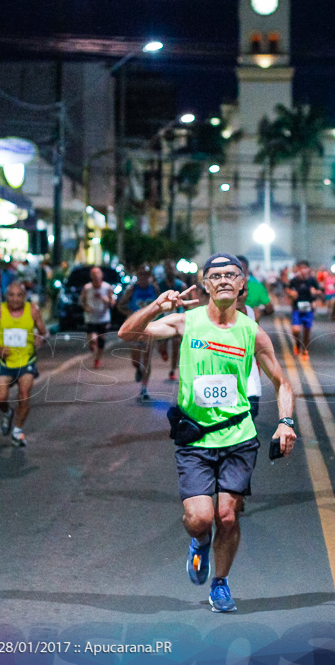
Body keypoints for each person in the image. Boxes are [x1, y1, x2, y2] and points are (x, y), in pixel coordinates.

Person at [118, 253, 297, 613]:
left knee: (228, 516)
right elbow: (128, 333)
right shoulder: (187, 321)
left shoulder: (252, 331)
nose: (224, 280)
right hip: (195, 437)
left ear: (243, 284)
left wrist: (286, 422)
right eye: (216, 276)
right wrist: (156, 305)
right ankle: (199, 542)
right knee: (200, 518)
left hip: (238, 435)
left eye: (232, 274)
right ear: (205, 284)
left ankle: (220, 583)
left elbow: (282, 382)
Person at [0, 280, 47, 447]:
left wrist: (40, 338)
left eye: (19, 295)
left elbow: (44, 332)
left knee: (24, 395)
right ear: (6, 296)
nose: (14, 299)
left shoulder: (33, 311)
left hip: (26, 360)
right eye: (11, 295)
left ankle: (17, 431)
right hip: (4, 362)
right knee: (1, 398)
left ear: (24, 296)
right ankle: (7, 413)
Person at [118, 267, 160, 400]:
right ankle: (138, 369)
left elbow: (161, 305)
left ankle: (144, 388)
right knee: (136, 361)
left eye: (146, 275)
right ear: (137, 275)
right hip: (135, 327)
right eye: (141, 275)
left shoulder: (154, 289)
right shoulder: (132, 289)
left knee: (146, 359)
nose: (143, 277)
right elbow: (120, 305)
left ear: (149, 276)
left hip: (149, 327)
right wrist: (130, 314)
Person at [157, 260, 186, 380]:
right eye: (167, 268)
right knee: (161, 347)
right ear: (164, 270)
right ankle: (163, 352)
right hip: (162, 319)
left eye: (172, 268)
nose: (170, 270)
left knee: (176, 346)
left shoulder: (181, 285)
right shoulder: (158, 285)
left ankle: (173, 370)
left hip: (176, 319)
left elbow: (187, 301)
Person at [81, 266, 114, 368]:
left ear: (101, 275)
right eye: (94, 274)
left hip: (103, 317)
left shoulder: (107, 287)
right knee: (93, 338)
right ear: (91, 276)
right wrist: (86, 307)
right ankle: (92, 343)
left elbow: (113, 302)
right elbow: (82, 300)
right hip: (91, 317)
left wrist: (107, 301)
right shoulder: (87, 288)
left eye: (98, 274)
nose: (96, 276)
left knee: (101, 341)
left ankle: (97, 359)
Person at [286, 260, 321, 359]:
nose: (303, 270)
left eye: (305, 268)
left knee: (307, 330)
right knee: (295, 329)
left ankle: (305, 350)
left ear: (308, 269)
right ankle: (297, 344)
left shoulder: (312, 280)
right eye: (300, 268)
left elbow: (320, 292)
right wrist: (291, 293)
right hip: (297, 307)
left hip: (308, 308)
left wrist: (315, 292)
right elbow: (288, 289)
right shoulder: (294, 280)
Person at [236, 255, 273, 322]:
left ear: (247, 269)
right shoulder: (224, 285)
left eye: (241, 268)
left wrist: (257, 313)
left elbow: (269, 308)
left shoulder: (257, 286)